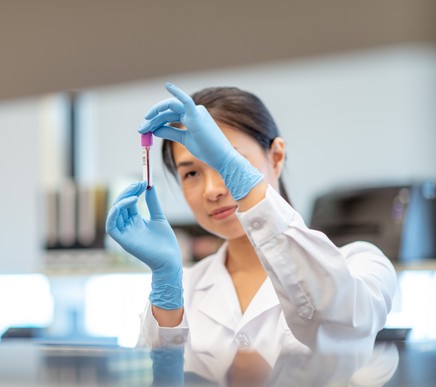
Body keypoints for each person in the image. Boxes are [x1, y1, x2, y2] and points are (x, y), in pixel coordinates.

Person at [105, 82, 397, 382]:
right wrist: (166, 283)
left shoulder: (362, 264)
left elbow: (335, 323)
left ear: (276, 156)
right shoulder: (182, 290)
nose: (213, 190)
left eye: (226, 161)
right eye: (191, 173)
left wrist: (245, 183)